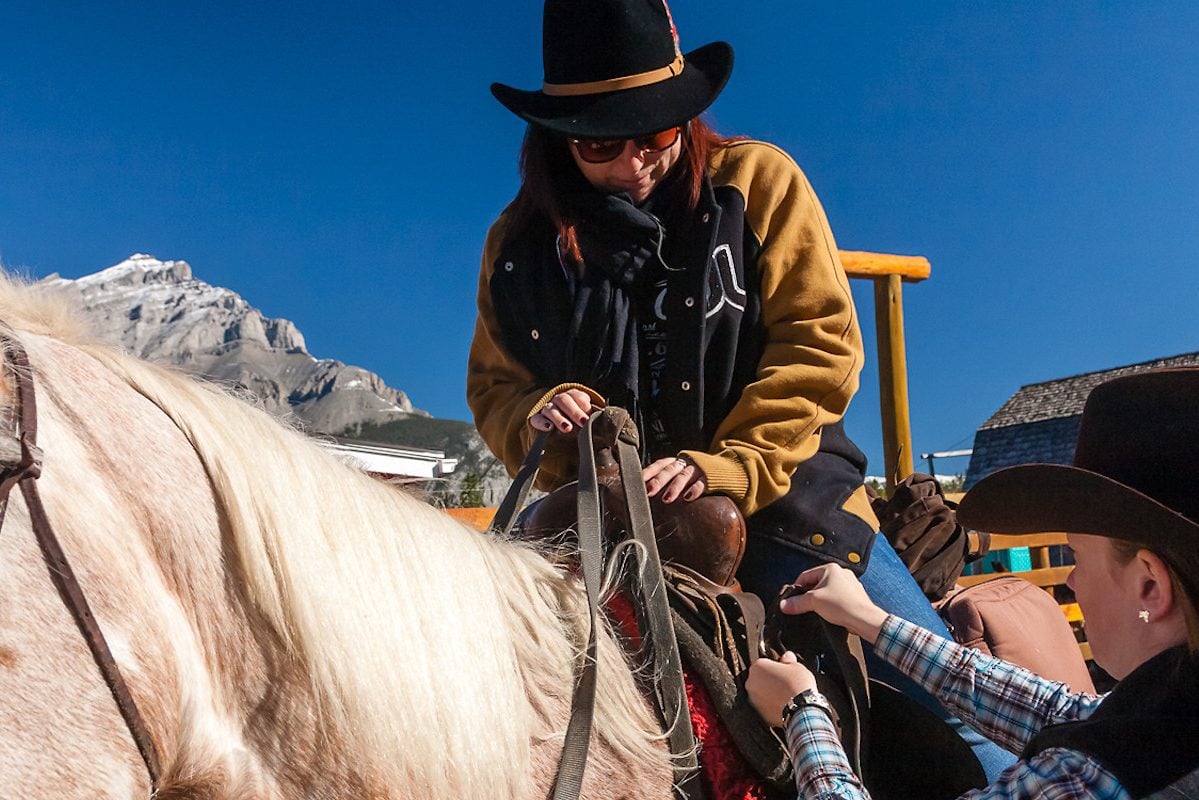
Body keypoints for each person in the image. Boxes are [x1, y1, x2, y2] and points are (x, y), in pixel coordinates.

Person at [467, 0, 1010, 778]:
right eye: (600, 143)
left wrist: (732, 462)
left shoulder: (754, 183)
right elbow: (495, 388)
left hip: (787, 506)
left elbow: (819, 343)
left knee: (949, 714)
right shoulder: (518, 248)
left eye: (655, 133)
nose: (634, 165)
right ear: (557, 139)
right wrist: (536, 415)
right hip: (601, 529)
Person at [747, 367, 1199, 799]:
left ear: (1149, 587)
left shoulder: (1093, 778)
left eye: (1078, 557)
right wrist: (872, 621)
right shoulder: (1172, 706)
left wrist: (803, 713)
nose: (1073, 579)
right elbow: (1058, 711)